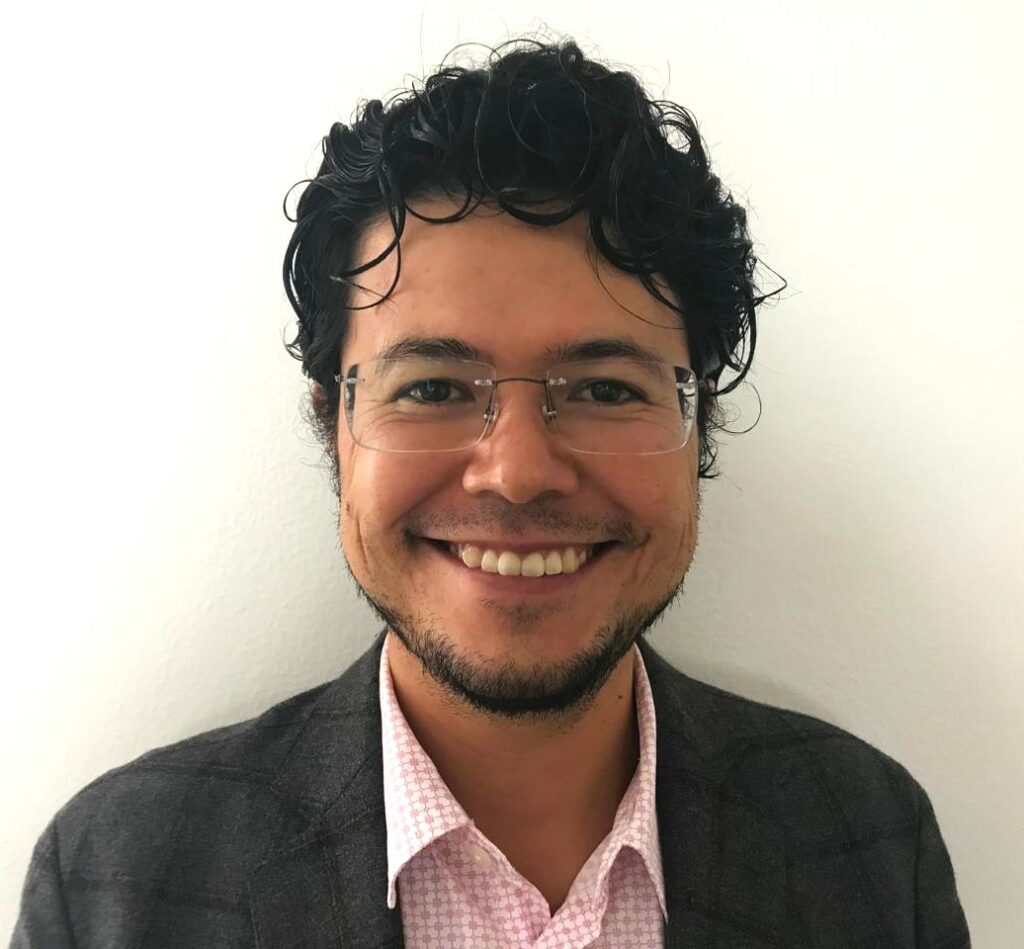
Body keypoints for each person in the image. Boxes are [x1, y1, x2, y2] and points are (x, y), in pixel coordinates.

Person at [10, 37, 970, 948]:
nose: (516, 472)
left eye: (606, 389)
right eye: (432, 388)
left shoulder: (872, 842)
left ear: (700, 425)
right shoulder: (116, 880)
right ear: (333, 424)